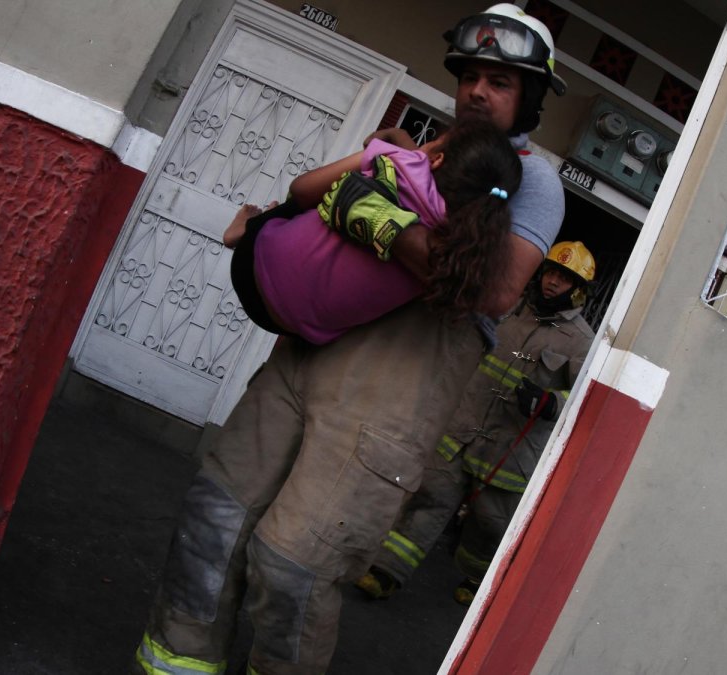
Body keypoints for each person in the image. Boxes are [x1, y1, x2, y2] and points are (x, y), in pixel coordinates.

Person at [133, 4, 568, 674]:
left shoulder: (531, 182)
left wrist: (375, 216)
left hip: (401, 374)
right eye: (471, 76)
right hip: (310, 347)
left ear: (531, 97)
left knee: (294, 562)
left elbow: (494, 291)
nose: (478, 91)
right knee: (215, 515)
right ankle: (175, 662)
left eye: (501, 82)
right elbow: (308, 193)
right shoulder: (424, 151)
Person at [354, 242, 597, 605]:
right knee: (428, 497)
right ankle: (385, 571)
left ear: (578, 289)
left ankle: (477, 578)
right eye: (551, 272)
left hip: (509, 451)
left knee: (490, 524)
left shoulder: (582, 343)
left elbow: (585, 401)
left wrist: (551, 403)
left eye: (564, 278)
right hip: (463, 430)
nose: (552, 282)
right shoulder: (510, 307)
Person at [221, 119, 521, 345]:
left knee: (318, 197)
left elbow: (301, 189)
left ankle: (246, 230)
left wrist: (400, 147)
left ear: (438, 158)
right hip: (296, 327)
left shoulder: (402, 159)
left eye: (433, 142)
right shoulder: (461, 251)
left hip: (253, 262)